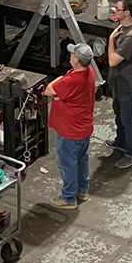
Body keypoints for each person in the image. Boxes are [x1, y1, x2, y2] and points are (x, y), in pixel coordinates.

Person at [45, 42, 97, 209]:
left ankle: (68, 198)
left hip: (70, 131)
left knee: (68, 164)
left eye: (73, 54)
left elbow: (48, 90)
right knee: (82, 160)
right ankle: (82, 190)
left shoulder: (71, 80)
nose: (70, 56)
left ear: (76, 60)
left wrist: (59, 85)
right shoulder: (90, 71)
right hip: (84, 128)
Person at [105, 0, 132, 169]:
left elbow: (113, 60)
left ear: (127, 13)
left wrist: (110, 40)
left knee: (128, 119)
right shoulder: (126, 25)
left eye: (118, 9)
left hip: (128, 83)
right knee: (119, 113)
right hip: (119, 80)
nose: (114, 11)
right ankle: (121, 141)